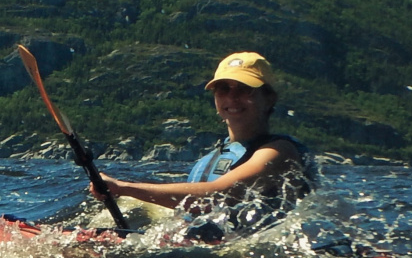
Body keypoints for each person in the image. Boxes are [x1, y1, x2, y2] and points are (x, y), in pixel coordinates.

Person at [94, 51, 317, 230]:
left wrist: (123, 188)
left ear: (269, 98)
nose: (231, 97)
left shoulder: (279, 152)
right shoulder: (209, 159)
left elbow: (218, 195)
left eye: (244, 89)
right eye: (223, 89)